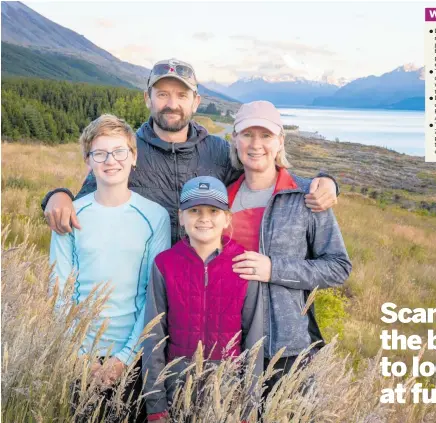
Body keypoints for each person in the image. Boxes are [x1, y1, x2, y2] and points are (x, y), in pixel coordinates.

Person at [41, 59, 339, 246]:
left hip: (203, 278)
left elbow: (266, 174)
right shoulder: (128, 152)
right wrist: (58, 195)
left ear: (195, 101)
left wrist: (326, 181)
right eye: (163, 94)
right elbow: (87, 197)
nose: (172, 104)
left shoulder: (220, 151)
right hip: (145, 280)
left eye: (181, 95)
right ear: (148, 99)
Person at [48, 114, 171, 423]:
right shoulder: (71, 215)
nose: (110, 160)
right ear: (88, 161)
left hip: (133, 356)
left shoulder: (155, 217)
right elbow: (59, 291)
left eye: (118, 152)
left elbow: (151, 295)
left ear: (133, 156)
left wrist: (124, 358)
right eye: (99, 153)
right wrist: (80, 357)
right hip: (79, 357)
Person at [227, 101, 352, 391]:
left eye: (266, 135)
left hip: (286, 347)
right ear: (234, 139)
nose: (256, 144)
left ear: (280, 141)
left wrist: (274, 269)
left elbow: (338, 267)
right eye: (247, 134)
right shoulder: (222, 198)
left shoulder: (306, 196)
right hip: (229, 346)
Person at [142, 176, 254, 422]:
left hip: (228, 392)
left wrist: (247, 405)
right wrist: (155, 403)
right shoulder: (165, 264)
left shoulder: (244, 264)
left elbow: (254, 339)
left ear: (227, 218)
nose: (204, 218)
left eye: (214, 211)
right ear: (181, 217)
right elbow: (153, 336)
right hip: (177, 389)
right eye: (195, 211)